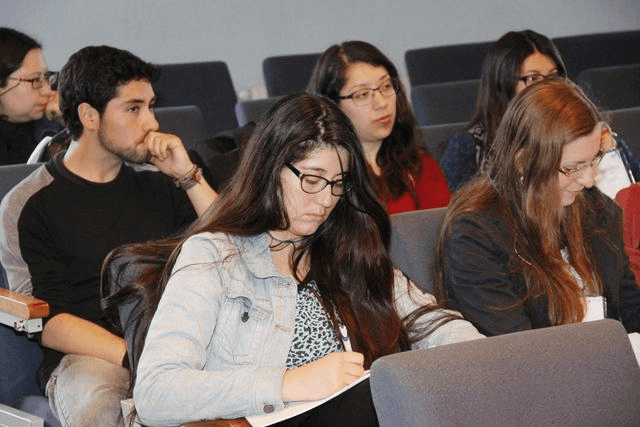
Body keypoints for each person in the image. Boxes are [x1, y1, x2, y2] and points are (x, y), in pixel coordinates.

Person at [103, 93, 482, 426]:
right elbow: (156, 391)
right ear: (271, 169)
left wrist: (485, 361)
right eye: (312, 180)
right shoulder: (214, 255)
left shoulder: (345, 247)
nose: (325, 201)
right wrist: (287, 382)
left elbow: (432, 323)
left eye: (338, 184)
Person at [0, 45, 217, 426]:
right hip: (92, 357)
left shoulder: (163, 182)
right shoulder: (30, 203)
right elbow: (49, 321)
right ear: (89, 116)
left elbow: (240, 246)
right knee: (101, 405)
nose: (151, 122)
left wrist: (188, 177)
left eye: (151, 106)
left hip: (180, 341)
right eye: (133, 109)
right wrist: (137, 355)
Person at [433, 78, 640, 337]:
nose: (588, 180)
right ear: (523, 162)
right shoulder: (474, 235)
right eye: (572, 168)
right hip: (538, 359)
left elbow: (631, 310)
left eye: (593, 160)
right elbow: (517, 345)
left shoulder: (598, 211)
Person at [439, 29, 640, 193]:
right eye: (533, 78)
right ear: (503, 86)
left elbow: (633, 196)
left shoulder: (591, 133)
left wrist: (608, 152)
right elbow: (463, 216)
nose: (546, 87)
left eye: (553, 77)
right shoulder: (467, 147)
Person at [307, 41, 450, 214]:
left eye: (386, 86)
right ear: (333, 105)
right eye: (363, 94)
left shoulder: (420, 166)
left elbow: (441, 227)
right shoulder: (319, 178)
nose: (382, 103)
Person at [0, 27, 61, 165]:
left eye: (46, 77)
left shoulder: (53, 122)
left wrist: (71, 125)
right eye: (35, 80)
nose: (47, 90)